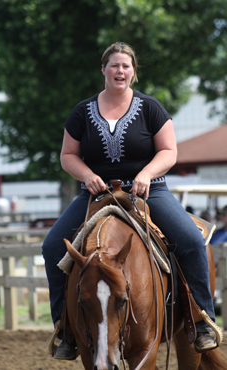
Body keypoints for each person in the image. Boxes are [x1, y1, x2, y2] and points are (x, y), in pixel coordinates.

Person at [42, 42, 217, 359]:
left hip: (148, 192)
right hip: (95, 194)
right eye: (114, 65)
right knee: (53, 245)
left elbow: (168, 152)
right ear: (104, 70)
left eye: (125, 66)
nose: (120, 71)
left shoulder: (151, 108)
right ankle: (65, 329)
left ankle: (201, 320)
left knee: (192, 240)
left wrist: (147, 174)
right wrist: (85, 175)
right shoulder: (82, 112)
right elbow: (67, 156)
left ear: (133, 72)